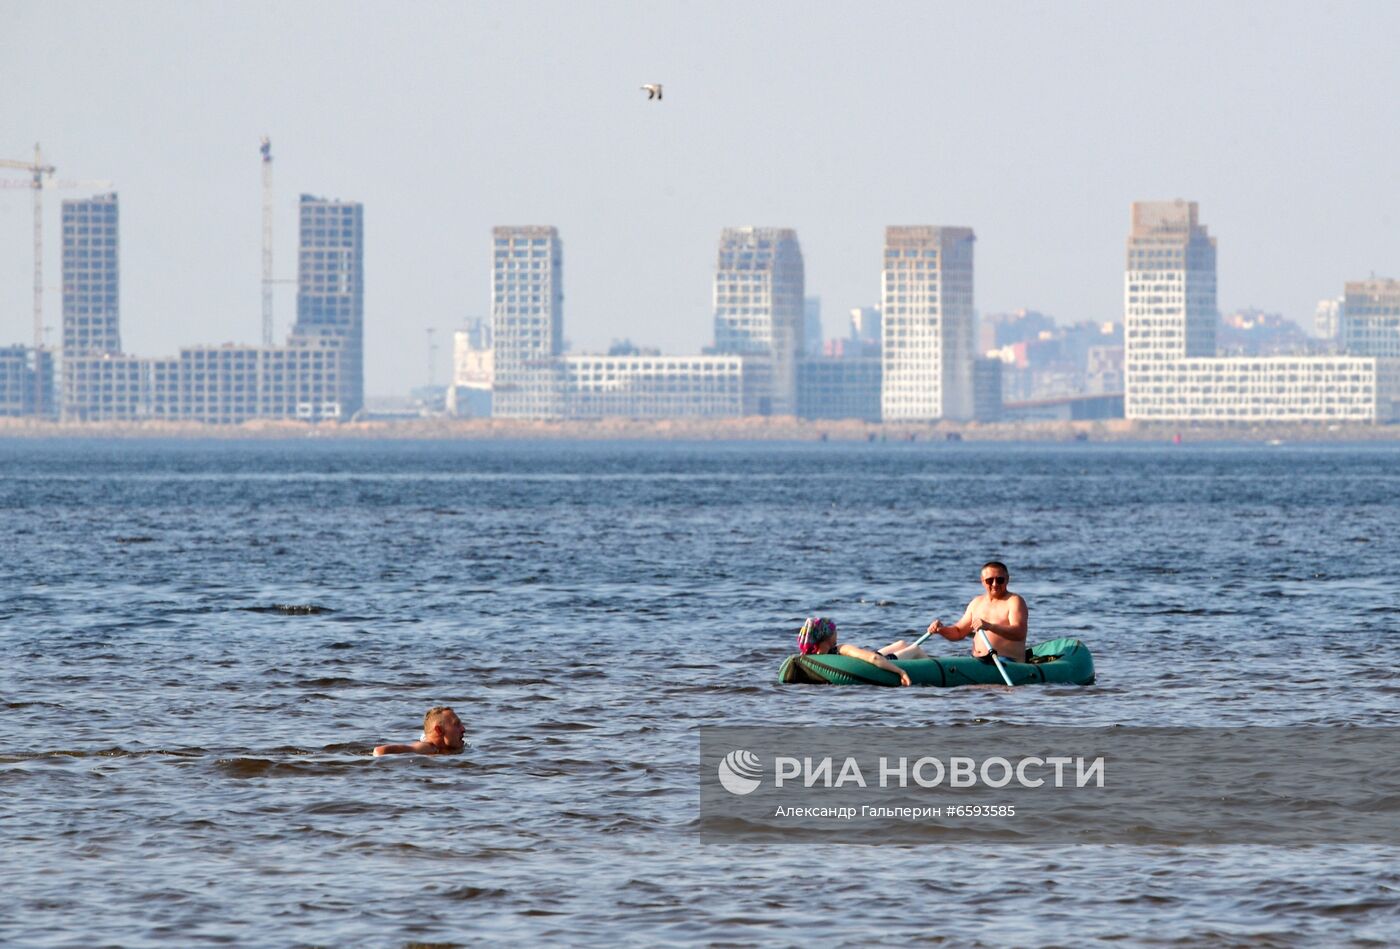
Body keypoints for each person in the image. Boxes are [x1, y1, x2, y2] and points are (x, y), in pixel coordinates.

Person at [927, 561, 1028, 663]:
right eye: (989, 580)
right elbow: (958, 632)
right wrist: (941, 630)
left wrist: (990, 626)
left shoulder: (1015, 601)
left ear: (1007, 579)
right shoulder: (976, 602)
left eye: (1000, 580)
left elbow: (1019, 633)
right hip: (976, 660)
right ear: (982, 581)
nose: (995, 584)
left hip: (1007, 661)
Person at [797, 617, 916, 686]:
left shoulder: (810, 656)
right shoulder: (840, 649)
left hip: (874, 656)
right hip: (879, 662)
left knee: (902, 644)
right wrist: (901, 672)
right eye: (835, 631)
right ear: (828, 636)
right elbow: (873, 658)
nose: (837, 634)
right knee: (915, 649)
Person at [372, 706, 466, 756]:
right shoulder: (427, 747)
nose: (463, 729)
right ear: (439, 730)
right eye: (457, 724)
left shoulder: (438, 749)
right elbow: (380, 751)